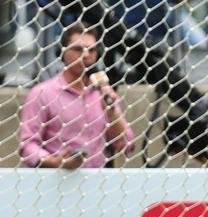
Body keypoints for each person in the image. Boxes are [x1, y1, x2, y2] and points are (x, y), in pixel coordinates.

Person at [19, 24, 135, 169]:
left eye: (91, 50)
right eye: (78, 49)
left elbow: (127, 144)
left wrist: (112, 111)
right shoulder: (42, 93)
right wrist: (55, 162)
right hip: (55, 181)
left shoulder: (104, 93)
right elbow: (27, 146)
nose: (86, 55)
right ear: (61, 53)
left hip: (97, 184)